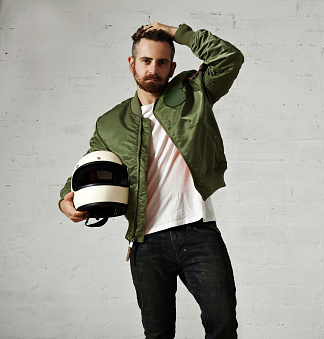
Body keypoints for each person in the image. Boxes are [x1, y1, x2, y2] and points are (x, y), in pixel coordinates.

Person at [58, 22, 244, 338]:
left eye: (161, 62)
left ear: (172, 67)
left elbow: (229, 58)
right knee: (157, 334)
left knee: (223, 324)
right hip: (146, 243)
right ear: (132, 63)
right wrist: (66, 198)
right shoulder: (111, 122)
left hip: (198, 232)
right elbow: (86, 167)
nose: (153, 69)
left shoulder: (193, 92)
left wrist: (177, 33)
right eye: (146, 61)